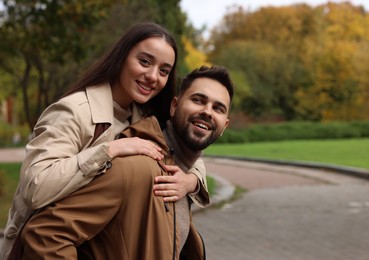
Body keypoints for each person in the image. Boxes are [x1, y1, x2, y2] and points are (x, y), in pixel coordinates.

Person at [1, 23, 209, 260]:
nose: (153, 76)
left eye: (164, 71)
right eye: (144, 62)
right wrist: (109, 150)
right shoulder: (74, 111)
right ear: (122, 58)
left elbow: (185, 150)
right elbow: (35, 188)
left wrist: (191, 180)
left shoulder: (145, 117)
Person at [19, 65, 234, 259]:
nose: (207, 111)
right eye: (198, 100)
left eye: (218, 108)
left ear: (224, 125)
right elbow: (46, 234)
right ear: (174, 106)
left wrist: (193, 181)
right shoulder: (136, 166)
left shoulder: (180, 175)